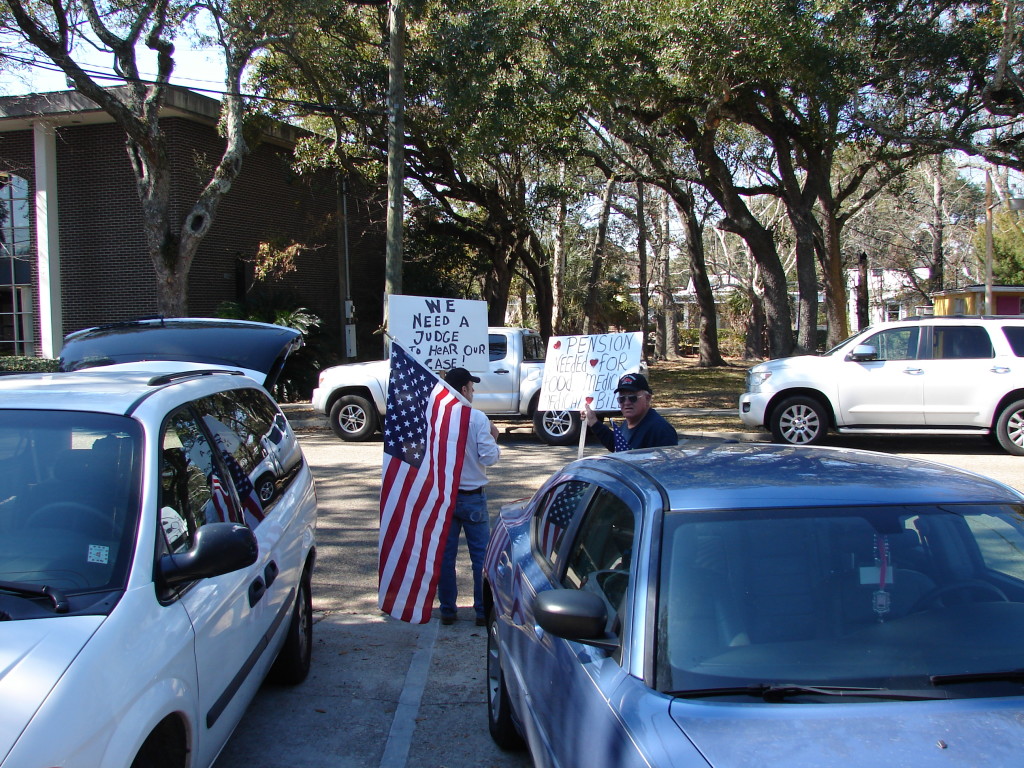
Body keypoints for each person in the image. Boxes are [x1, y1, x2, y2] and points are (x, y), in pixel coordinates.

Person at [438, 367, 501, 626]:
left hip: (445, 496)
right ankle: (480, 611)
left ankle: (447, 610)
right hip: (473, 496)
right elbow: (490, 457)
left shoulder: (438, 416)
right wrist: (494, 438)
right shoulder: (476, 418)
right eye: (471, 387)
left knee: (445, 557)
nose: (473, 391)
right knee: (480, 558)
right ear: (463, 389)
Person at [583, 372, 678, 452]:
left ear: (647, 398)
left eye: (633, 398)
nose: (627, 403)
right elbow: (619, 447)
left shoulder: (660, 430)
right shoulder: (629, 423)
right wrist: (594, 422)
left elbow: (668, 469)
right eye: (622, 398)